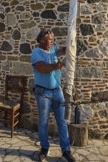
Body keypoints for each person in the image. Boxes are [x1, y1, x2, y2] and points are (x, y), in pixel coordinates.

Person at [31, 29, 76, 162]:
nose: (51, 41)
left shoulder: (53, 49)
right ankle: (44, 148)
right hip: (43, 92)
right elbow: (41, 68)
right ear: (41, 41)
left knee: (62, 121)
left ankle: (66, 150)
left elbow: (61, 50)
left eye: (52, 39)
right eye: (49, 39)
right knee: (43, 121)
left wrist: (70, 45)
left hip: (57, 90)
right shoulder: (36, 53)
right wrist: (57, 65)